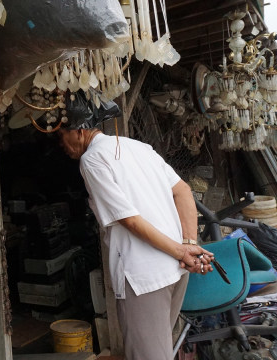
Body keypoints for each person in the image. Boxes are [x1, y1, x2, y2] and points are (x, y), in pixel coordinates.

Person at [56, 95, 214, 360]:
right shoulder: (140, 148)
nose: (62, 146)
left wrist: (182, 251)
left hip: (143, 277)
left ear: (79, 131)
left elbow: (128, 219)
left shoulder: (92, 160)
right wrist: (187, 244)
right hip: (175, 272)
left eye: (61, 137)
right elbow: (183, 191)